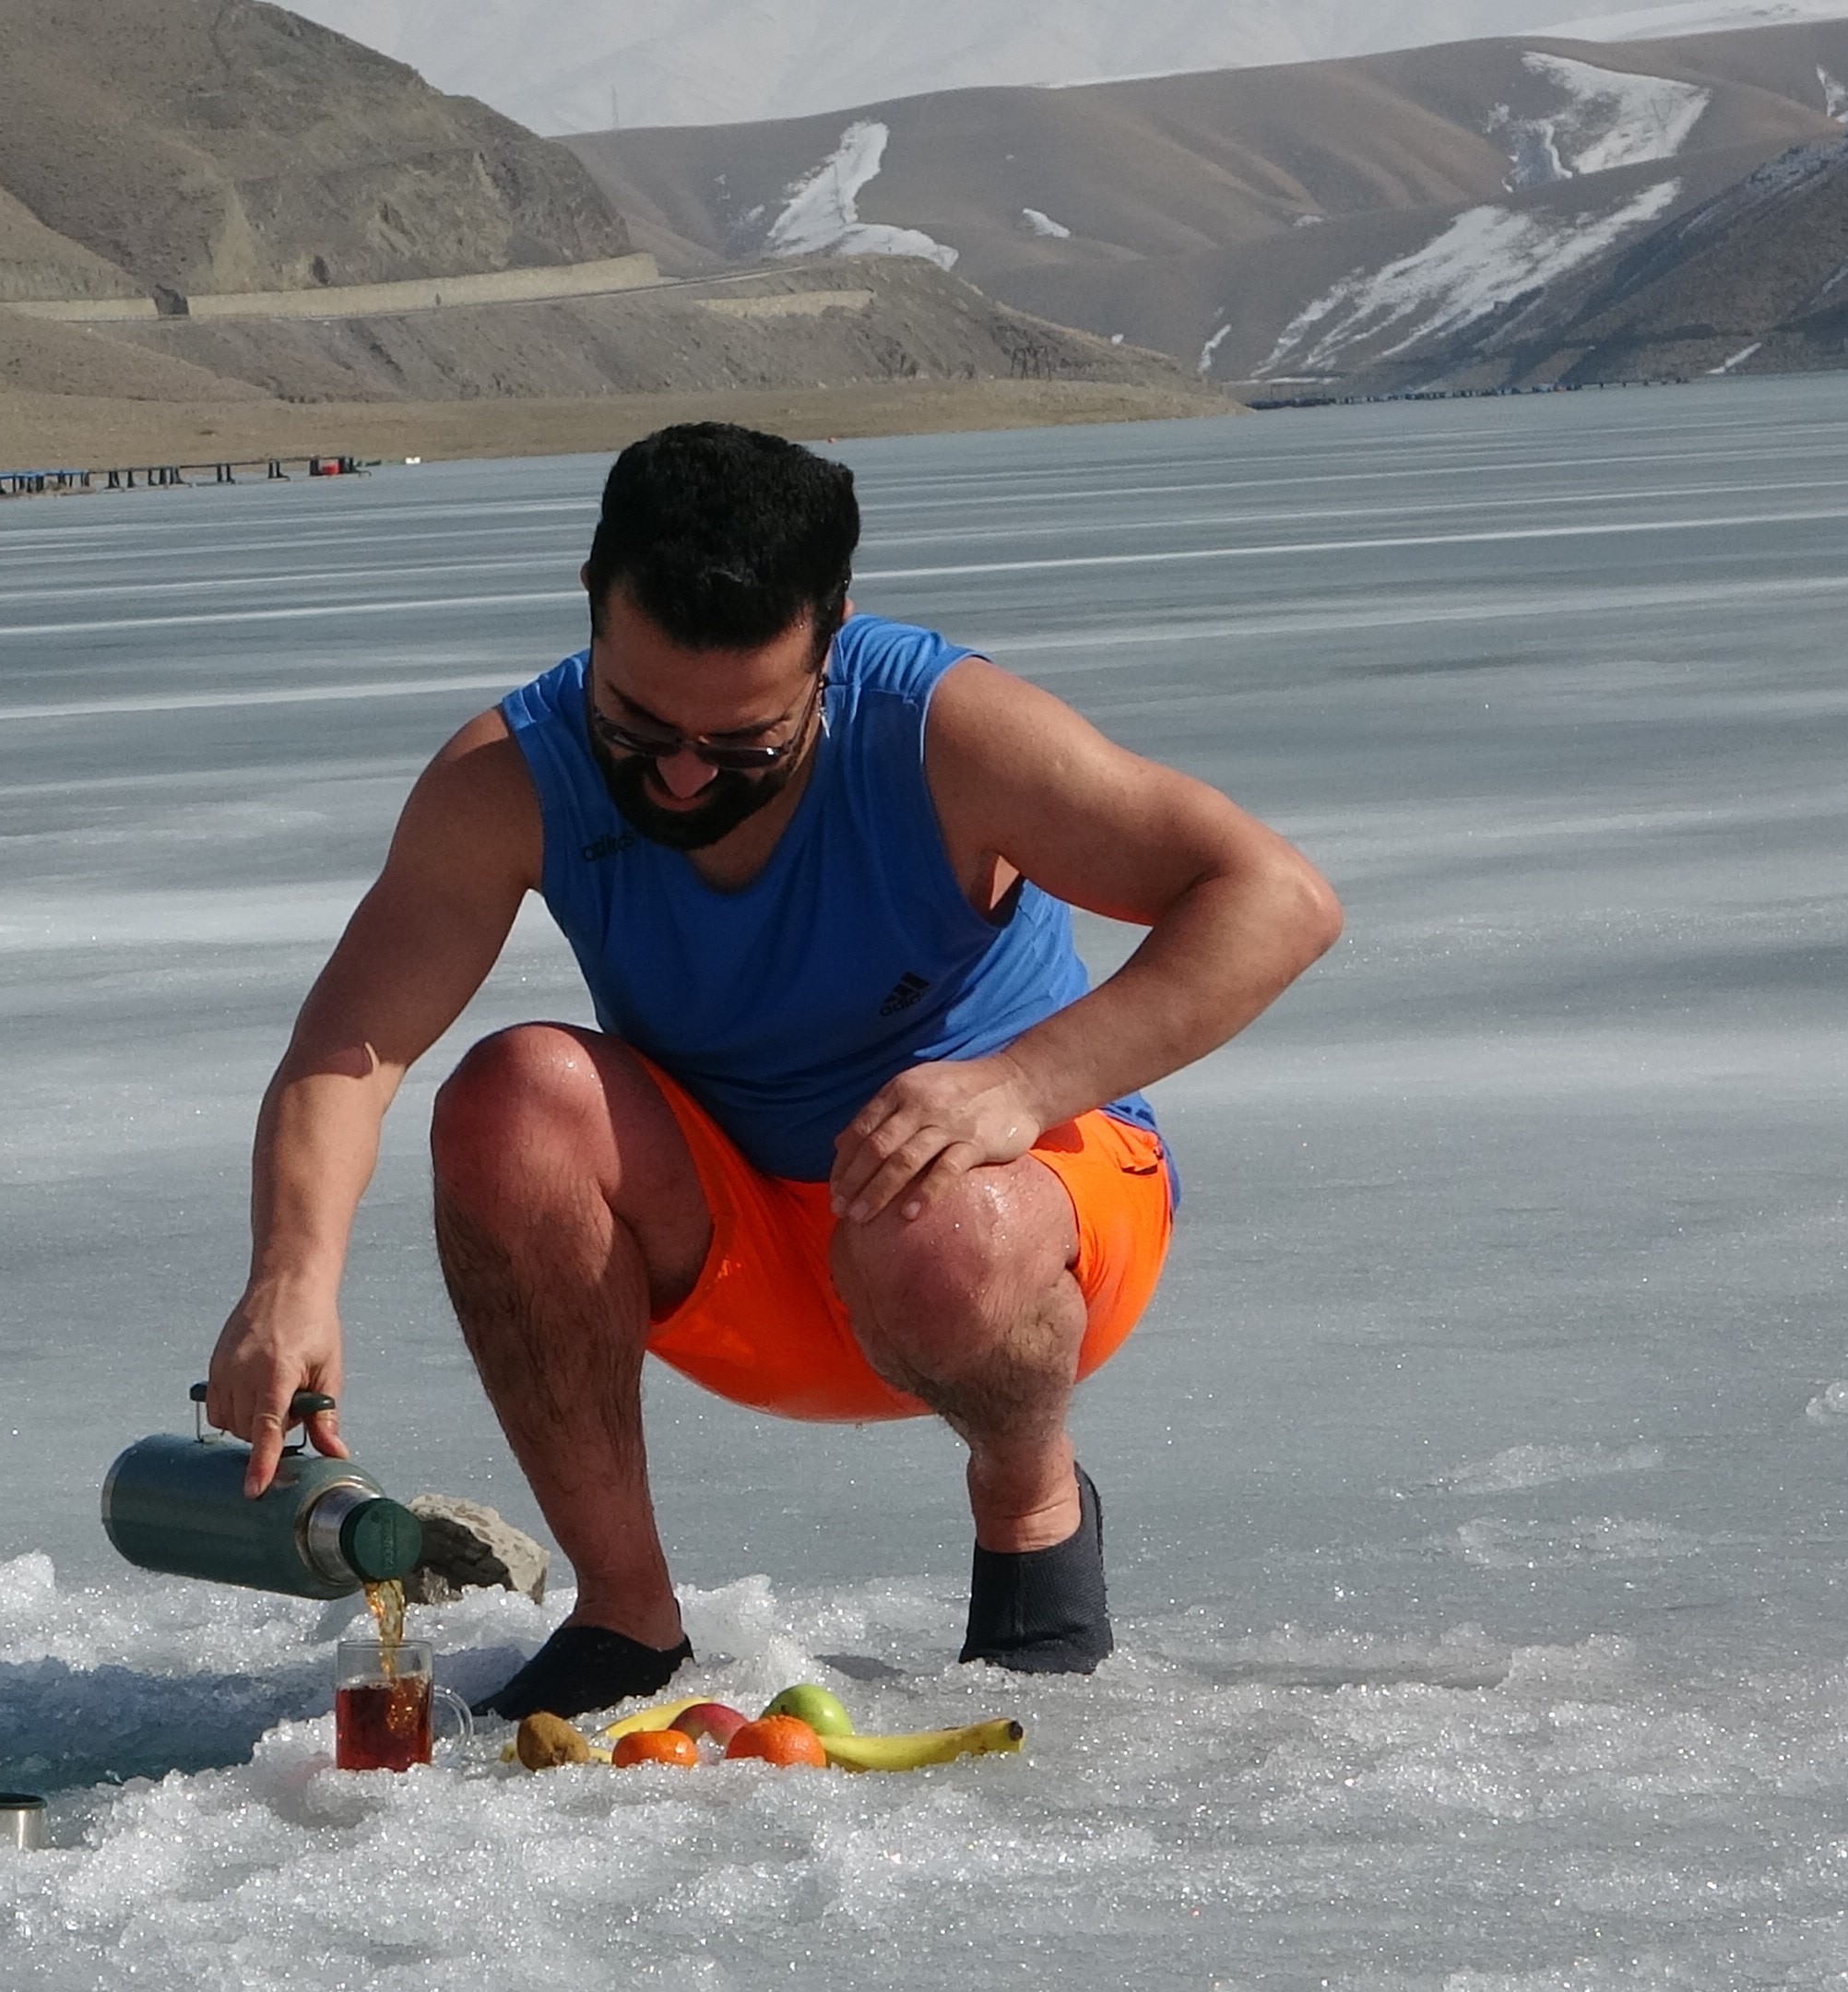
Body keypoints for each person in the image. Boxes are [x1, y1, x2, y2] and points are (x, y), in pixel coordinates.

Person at [205, 423, 1341, 1717]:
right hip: (747, 1263)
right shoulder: (509, 778)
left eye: (745, 742)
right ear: (593, 607)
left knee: (944, 1223)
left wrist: (1019, 1085)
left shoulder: (946, 733)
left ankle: (1029, 1506)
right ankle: (626, 1613)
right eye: (639, 726)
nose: (685, 774)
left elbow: (1277, 899)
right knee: (511, 1095)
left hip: (1005, 1239)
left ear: (832, 640)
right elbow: (350, 1045)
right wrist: (290, 1278)